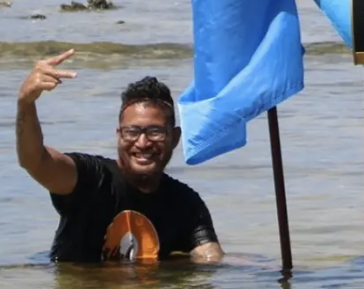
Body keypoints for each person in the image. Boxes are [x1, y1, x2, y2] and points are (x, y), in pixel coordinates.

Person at [16, 49, 224, 264]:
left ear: (175, 137)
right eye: (132, 132)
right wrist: (26, 103)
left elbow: (211, 259)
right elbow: (35, 161)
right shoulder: (91, 180)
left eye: (155, 132)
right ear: (119, 135)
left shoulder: (185, 204)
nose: (142, 143)